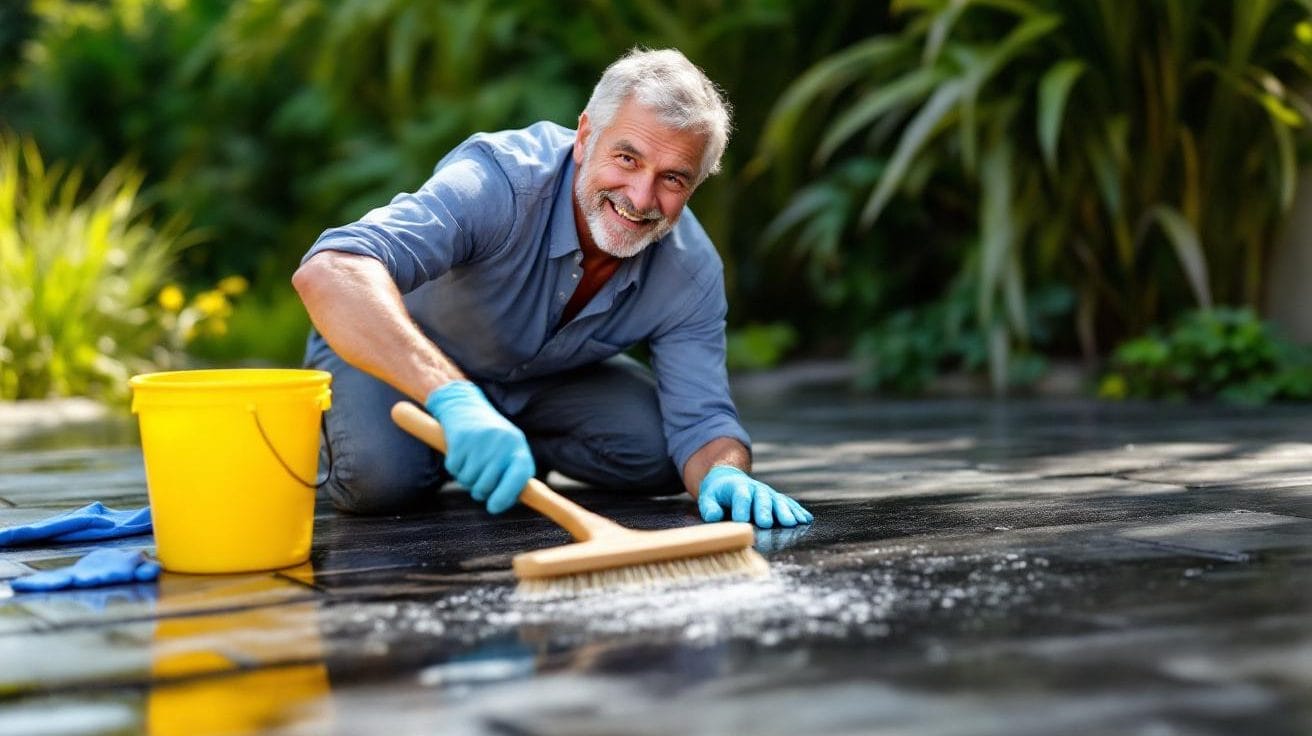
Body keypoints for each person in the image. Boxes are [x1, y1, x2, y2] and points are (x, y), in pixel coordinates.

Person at [292, 48, 812, 530]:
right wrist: (455, 401)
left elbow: (703, 420)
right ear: (585, 137)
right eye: (627, 159)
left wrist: (727, 473)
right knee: (380, 480)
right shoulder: (497, 182)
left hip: (542, 385)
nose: (640, 197)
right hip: (401, 361)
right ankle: (434, 448)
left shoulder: (691, 271)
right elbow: (330, 271)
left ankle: (505, 446)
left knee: (661, 454)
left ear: (695, 186)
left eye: (673, 179)